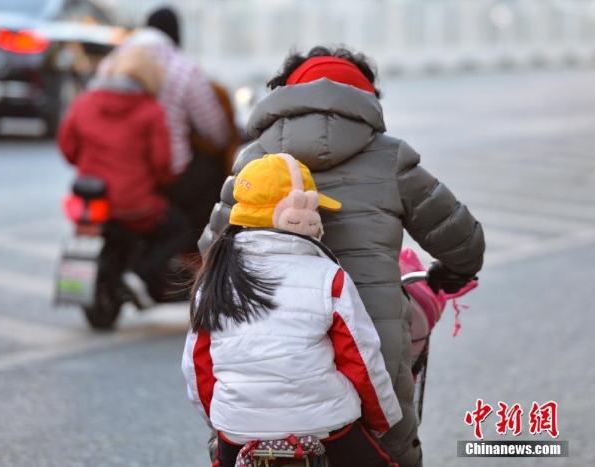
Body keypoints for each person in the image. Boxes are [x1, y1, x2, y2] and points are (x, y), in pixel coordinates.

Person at [199, 47, 486, 467]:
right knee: (392, 452)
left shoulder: (252, 163)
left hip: (254, 378)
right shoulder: (391, 158)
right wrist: (453, 272)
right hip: (375, 362)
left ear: (285, 94)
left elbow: (210, 256)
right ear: (365, 100)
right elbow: (465, 242)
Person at [183, 153, 402, 467]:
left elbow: (197, 365)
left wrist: (220, 418)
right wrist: (382, 419)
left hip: (238, 428)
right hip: (324, 426)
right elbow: (361, 358)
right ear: (300, 216)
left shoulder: (213, 279)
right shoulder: (329, 278)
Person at [57, 46, 198, 306]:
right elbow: (163, 164)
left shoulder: (84, 102)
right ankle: (140, 275)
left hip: (92, 200)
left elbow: (67, 148)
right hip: (135, 204)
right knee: (181, 229)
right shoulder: (151, 110)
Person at [98, 7, 232, 233]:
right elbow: (215, 131)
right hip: (161, 179)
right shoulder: (182, 71)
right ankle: (197, 248)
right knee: (215, 176)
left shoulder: (108, 65)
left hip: (108, 170)